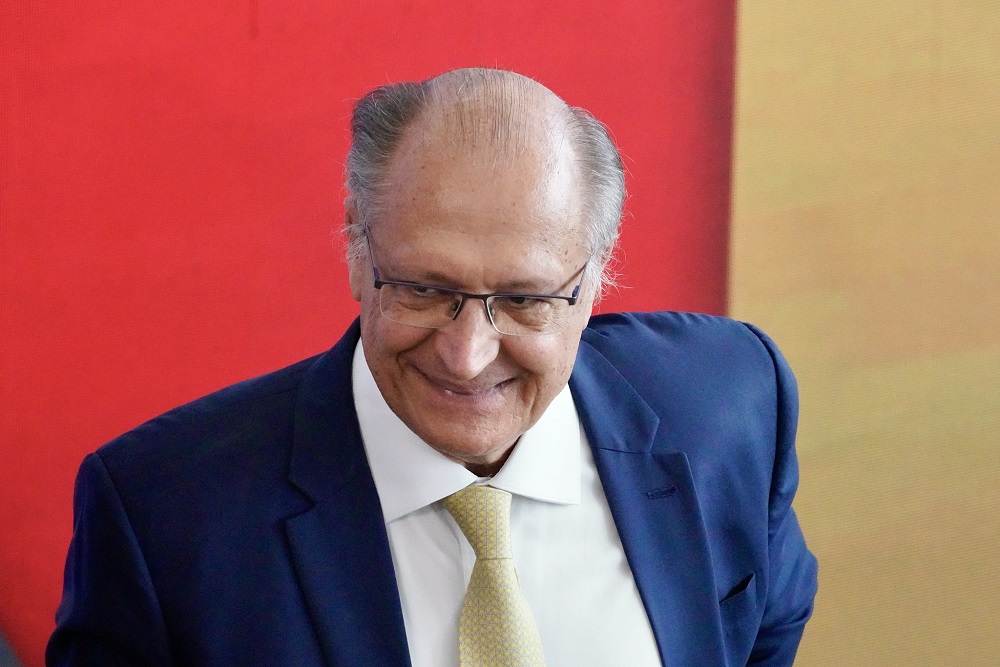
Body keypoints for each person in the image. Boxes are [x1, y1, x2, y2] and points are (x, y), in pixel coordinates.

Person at [47, 68, 817, 666]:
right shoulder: (163, 515)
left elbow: (766, 625)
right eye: (424, 288)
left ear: (593, 280)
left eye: (523, 299)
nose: (468, 355)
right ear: (358, 245)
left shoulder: (729, 405)